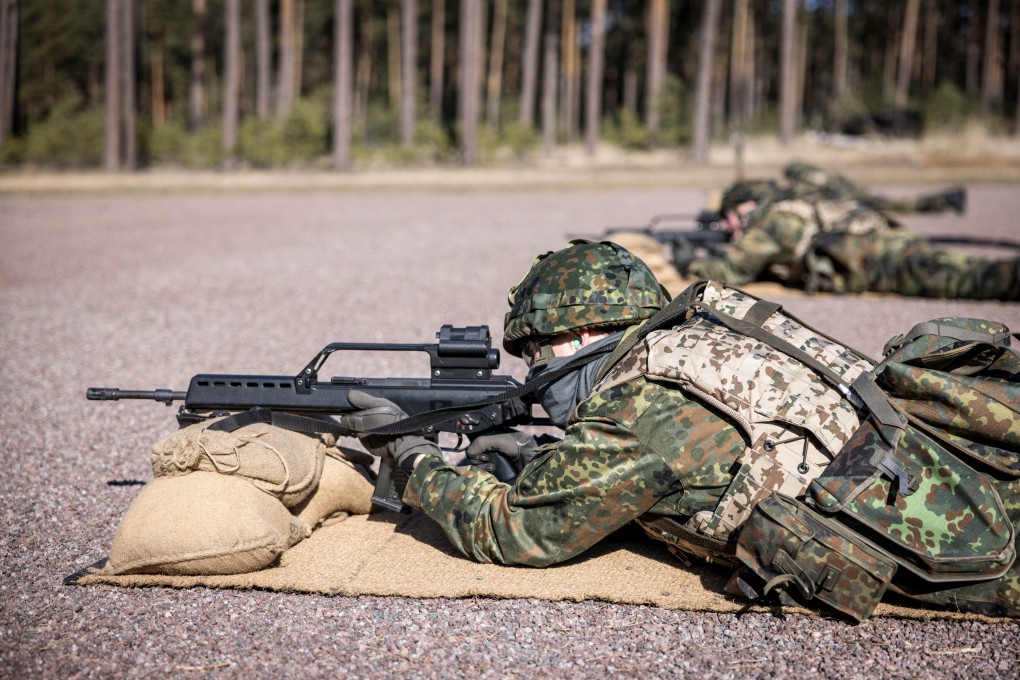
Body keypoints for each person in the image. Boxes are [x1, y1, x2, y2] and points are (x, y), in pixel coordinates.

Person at [340, 241, 871, 569]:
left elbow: (515, 532)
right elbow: (664, 467)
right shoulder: (693, 344)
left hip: (897, 545)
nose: (533, 369)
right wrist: (537, 459)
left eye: (536, 349)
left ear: (583, 334)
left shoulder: (639, 405)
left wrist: (414, 459)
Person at [684, 179, 1020, 299]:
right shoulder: (795, 203)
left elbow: (732, 270)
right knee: (961, 269)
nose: (728, 225)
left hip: (878, 258)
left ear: (747, 205)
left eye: (729, 215)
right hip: (887, 241)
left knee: (966, 279)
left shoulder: (773, 220)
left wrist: (689, 261)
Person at [783, 161, 966, 214]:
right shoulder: (823, 176)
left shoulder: (813, 179)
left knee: (902, 205)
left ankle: (948, 198)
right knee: (900, 205)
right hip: (859, 199)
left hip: (857, 202)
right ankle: (948, 199)